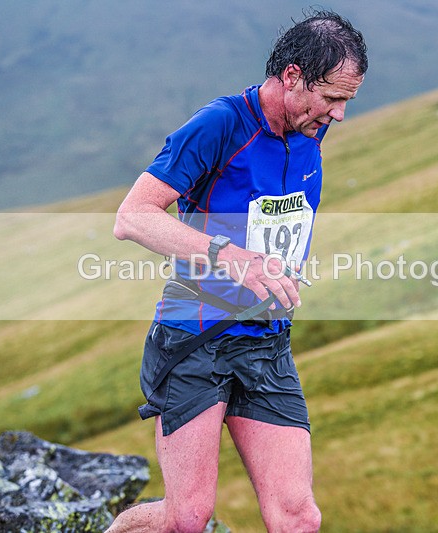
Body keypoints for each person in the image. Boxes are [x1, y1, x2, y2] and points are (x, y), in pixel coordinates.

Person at [106, 9, 367, 533]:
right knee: (188, 518)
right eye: (333, 98)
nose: (338, 115)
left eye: (347, 102)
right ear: (292, 77)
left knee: (298, 516)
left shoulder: (309, 127)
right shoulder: (220, 125)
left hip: (266, 342)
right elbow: (131, 217)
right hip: (193, 338)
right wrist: (233, 258)